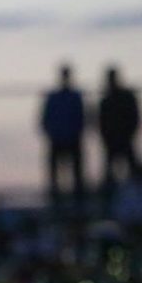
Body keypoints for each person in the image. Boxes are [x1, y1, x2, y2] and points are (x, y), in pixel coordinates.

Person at [40, 64, 86, 211]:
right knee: (55, 175)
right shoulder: (54, 97)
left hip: (72, 139)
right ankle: (56, 201)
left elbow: (81, 118)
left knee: (77, 174)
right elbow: (45, 119)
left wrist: (74, 133)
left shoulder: (74, 96)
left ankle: (78, 201)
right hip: (58, 139)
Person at [98, 65, 142, 201]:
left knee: (132, 173)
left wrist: (129, 134)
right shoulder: (106, 100)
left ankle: (137, 198)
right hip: (111, 142)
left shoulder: (126, 97)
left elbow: (135, 117)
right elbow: (101, 122)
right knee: (109, 175)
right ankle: (109, 200)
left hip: (125, 139)